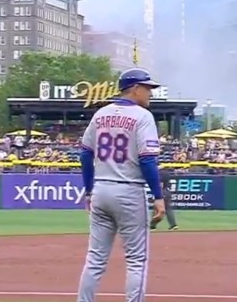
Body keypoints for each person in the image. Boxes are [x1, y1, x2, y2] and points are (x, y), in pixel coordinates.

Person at [77, 68, 166, 302]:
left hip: (101, 189)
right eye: (147, 88)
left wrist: (88, 190)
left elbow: (85, 154)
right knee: (136, 260)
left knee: (95, 259)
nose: (150, 93)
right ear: (134, 88)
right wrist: (158, 196)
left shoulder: (100, 114)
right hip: (129, 190)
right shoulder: (143, 117)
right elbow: (147, 159)